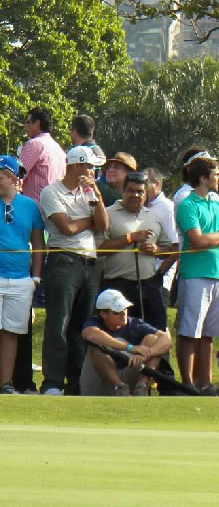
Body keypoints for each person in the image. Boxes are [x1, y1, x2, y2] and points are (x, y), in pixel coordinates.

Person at [39, 145, 109, 395]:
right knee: (59, 323)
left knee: (82, 327)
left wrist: (97, 196)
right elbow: (66, 228)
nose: (93, 171)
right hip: (63, 261)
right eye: (90, 166)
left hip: (90, 263)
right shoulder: (51, 192)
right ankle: (53, 383)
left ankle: (78, 383)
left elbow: (103, 224)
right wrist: (88, 222)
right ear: (77, 166)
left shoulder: (89, 193)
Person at [175, 155, 219, 395]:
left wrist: (215, 238)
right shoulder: (188, 205)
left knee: (209, 334)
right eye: (216, 174)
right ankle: (188, 383)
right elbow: (197, 239)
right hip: (194, 274)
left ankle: (205, 383)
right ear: (203, 178)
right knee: (190, 332)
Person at [96, 172, 173, 331]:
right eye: (131, 190)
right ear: (123, 191)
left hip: (149, 284)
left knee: (156, 333)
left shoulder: (154, 216)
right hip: (118, 285)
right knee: (120, 335)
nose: (135, 195)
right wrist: (129, 238)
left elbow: (168, 248)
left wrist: (156, 249)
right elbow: (99, 249)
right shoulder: (108, 214)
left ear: (146, 195)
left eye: (140, 192)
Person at [0, 154, 44, 394]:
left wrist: (35, 277)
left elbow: (37, 243)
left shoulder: (29, 206)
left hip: (20, 279)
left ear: (11, 178)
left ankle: (5, 384)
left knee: (11, 333)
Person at [80, 289, 172, 396]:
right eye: (117, 311)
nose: (123, 314)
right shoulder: (93, 323)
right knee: (96, 347)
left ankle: (140, 387)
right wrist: (129, 348)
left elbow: (166, 341)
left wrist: (147, 354)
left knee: (152, 340)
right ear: (103, 314)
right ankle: (119, 386)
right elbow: (90, 335)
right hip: (99, 383)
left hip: (128, 378)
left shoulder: (135, 324)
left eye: (125, 309)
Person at [142, 168, 179, 307]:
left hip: (158, 281)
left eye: (145, 182)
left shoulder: (167, 208)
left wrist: (159, 274)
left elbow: (176, 246)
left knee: (158, 325)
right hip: (141, 276)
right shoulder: (142, 205)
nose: (142, 186)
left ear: (157, 184)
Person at [18, 106, 67, 203]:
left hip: (35, 209)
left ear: (37, 123)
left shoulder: (34, 144)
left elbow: (16, 176)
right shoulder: (58, 148)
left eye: (28, 122)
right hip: (55, 209)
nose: (25, 126)